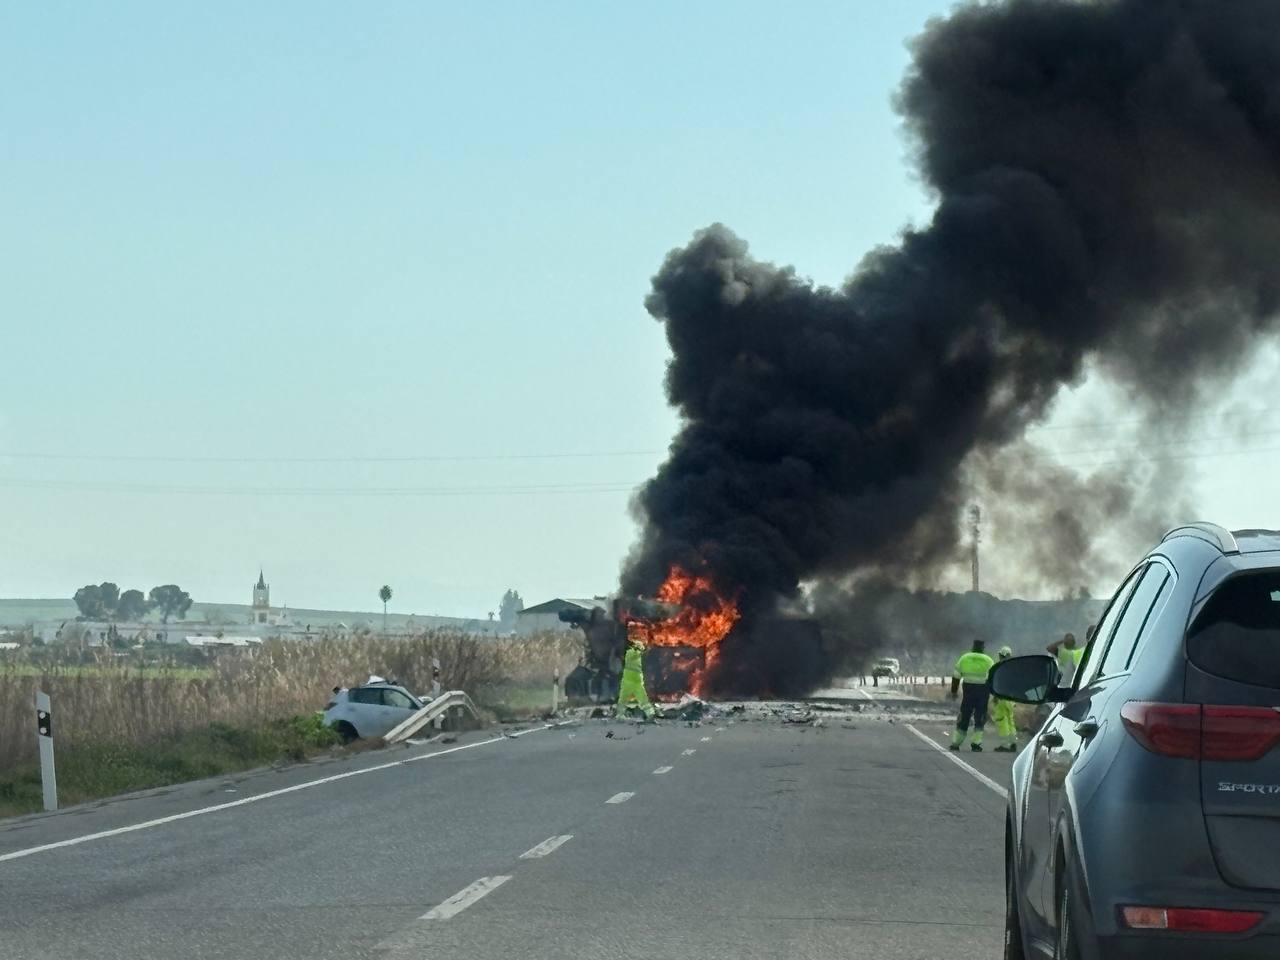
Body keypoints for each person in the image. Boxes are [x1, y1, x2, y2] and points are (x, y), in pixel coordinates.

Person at [949, 638, 994, 752]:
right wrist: (994, 695)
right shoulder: (989, 660)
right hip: (983, 693)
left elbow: (956, 676)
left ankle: (956, 743)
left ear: (972, 647)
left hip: (968, 692)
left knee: (964, 717)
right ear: (983, 648)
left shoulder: (964, 658)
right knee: (980, 719)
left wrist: (954, 692)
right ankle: (976, 744)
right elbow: (993, 678)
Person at [616, 621, 656, 720]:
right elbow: (641, 651)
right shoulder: (633, 651)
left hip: (630, 678)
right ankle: (650, 714)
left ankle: (620, 714)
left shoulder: (631, 651)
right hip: (634, 679)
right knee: (639, 698)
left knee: (625, 698)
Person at [990, 646, 1018, 752]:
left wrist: (996, 696)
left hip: (1002, 697)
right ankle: (1013, 743)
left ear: (1002, 655)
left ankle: (1005, 744)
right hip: (1011, 698)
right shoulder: (1014, 666)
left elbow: (999, 683)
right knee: (1011, 721)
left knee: (1002, 720)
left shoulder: (1000, 667)